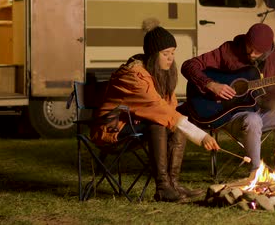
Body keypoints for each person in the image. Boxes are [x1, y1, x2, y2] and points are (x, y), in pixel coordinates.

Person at [92, 18, 220, 202]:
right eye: (166, 53)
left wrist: (182, 125)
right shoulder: (135, 78)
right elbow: (160, 110)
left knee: (174, 124)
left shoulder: (159, 74)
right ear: (153, 54)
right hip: (111, 129)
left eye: (173, 53)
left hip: (134, 124)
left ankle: (172, 185)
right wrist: (201, 136)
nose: (171, 58)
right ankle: (162, 187)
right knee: (160, 124)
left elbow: (171, 110)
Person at [180, 23, 275, 174]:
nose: (253, 54)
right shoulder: (229, 50)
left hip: (266, 113)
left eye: (258, 51)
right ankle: (256, 173)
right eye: (250, 47)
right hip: (235, 116)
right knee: (253, 119)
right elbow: (189, 65)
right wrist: (211, 84)